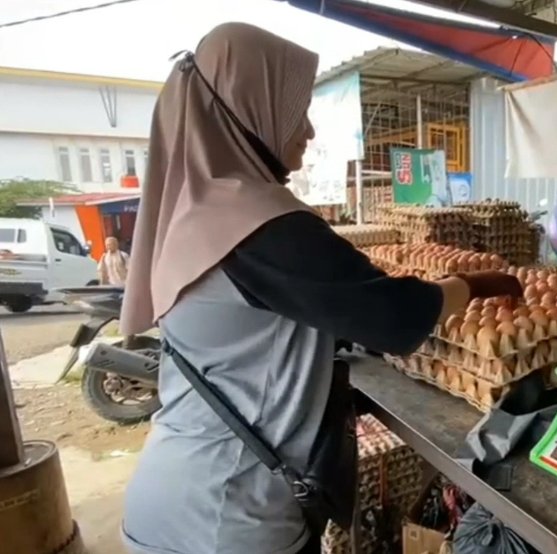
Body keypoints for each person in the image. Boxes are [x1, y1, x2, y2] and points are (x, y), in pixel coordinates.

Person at [118, 23, 522, 554]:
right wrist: (472, 284)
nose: (307, 131)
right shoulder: (258, 224)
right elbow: (395, 316)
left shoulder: (196, 209)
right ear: (250, 109)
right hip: (228, 515)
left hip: (177, 491)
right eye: (295, 112)